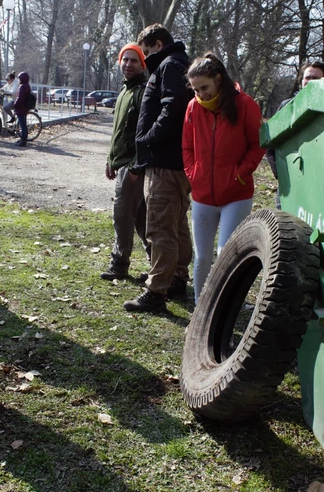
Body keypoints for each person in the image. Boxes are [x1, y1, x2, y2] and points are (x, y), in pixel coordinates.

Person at [182, 53, 264, 303]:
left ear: (218, 79)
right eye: (196, 89)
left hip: (236, 195)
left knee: (225, 254)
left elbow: (257, 144)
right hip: (202, 194)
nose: (201, 94)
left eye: (204, 87)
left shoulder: (245, 104)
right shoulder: (193, 107)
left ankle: (222, 309)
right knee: (202, 257)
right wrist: (193, 174)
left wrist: (240, 173)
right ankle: (200, 308)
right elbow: (187, 147)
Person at [123, 23, 193, 313]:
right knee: (176, 224)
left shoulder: (168, 66)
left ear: (158, 45)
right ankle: (175, 277)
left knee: (161, 227)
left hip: (164, 162)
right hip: (176, 161)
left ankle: (157, 292)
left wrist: (148, 139)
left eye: (147, 50)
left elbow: (172, 107)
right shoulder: (179, 65)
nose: (145, 56)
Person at [101, 43, 150, 281]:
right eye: (125, 60)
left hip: (133, 168)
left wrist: (135, 166)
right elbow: (118, 132)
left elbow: (144, 134)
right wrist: (111, 159)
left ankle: (119, 265)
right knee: (141, 219)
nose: (129, 64)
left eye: (134, 60)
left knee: (123, 217)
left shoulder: (143, 92)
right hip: (121, 165)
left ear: (142, 64)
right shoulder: (124, 92)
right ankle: (157, 268)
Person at [266, 61, 324, 208]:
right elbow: (270, 143)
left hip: (320, 187)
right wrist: (280, 173)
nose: (311, 82)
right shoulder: (287, 107)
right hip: (290, 184)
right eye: (308, 78)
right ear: (301, 81)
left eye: (316, 79)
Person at [13, 71, 31, 147]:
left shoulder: (22, 86)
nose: (19, 80)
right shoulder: (27, 86)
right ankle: (23, 139)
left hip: (21, 108)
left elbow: (20, 98)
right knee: (23, 125)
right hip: (25, 108)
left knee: (22, 125)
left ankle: (23, 141)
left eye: (20, 78)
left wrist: (15, 104)